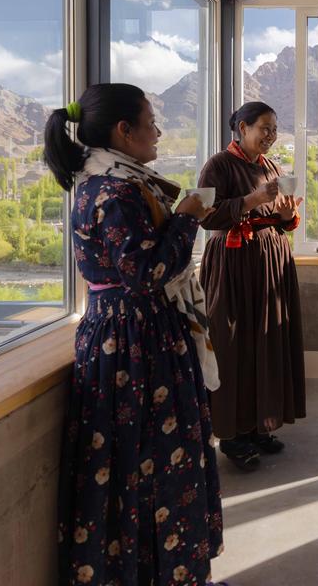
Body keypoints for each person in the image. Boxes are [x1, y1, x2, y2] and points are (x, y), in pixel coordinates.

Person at [45, 84, 224, 586]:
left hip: (129, 335)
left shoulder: (102, 182)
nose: (158, 131)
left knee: (137, 463)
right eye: (151, 121)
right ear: (123, 131)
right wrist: (187, 219)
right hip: (135, 339)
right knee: (154, 462)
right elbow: (145, 272)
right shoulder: (117, 191)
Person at [199, 102, 306, 472]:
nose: (271, 136)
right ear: (242, 128)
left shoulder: (269, 166)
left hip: (270, 259)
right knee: (233, 345)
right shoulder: (219, 165)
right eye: (265, 128)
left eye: (275, 129)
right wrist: (251, 200)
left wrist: (287, 217)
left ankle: (260, 423)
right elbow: (205, 216)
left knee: (266, 341)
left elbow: (277, 218)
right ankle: (232, 434)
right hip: (233, 263)